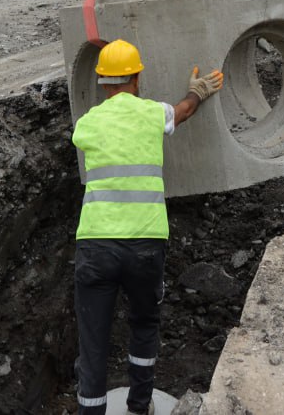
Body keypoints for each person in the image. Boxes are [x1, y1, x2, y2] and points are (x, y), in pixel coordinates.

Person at [71, 39, 225, 415]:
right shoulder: (153, 113)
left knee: (92, 342)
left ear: (102, 81)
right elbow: (183, 111)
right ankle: (140, 406)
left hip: (96, 246)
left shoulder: (88, 123)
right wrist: (197, 91)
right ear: (138, 77)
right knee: (143, 325)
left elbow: (83, 139)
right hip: (145, 243)